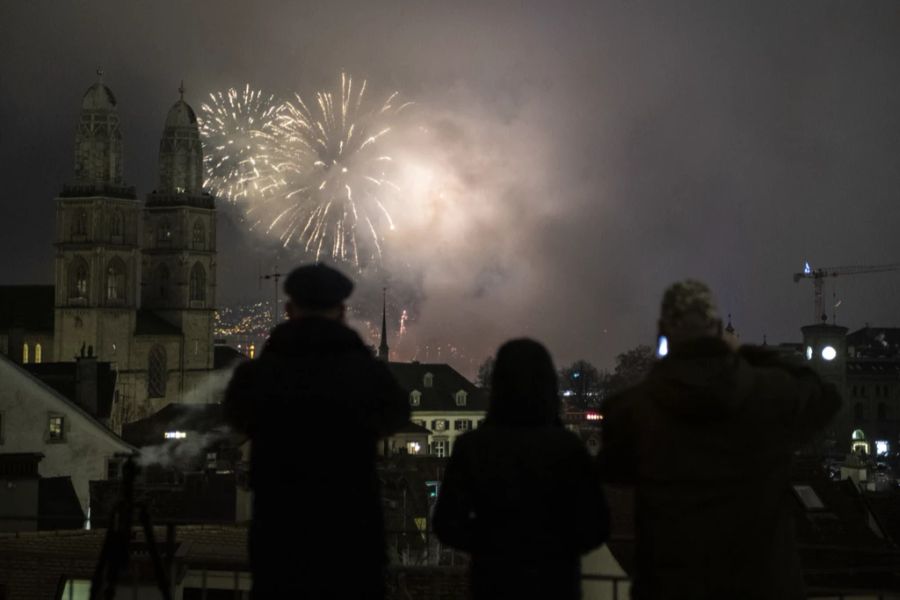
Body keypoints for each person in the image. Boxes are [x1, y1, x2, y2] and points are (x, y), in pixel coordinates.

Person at [600, 280, 842, 600]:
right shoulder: (770, 395)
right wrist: (751, 355)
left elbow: (613, 468)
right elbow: (825, 396)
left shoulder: (631, 411)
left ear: (663, 332)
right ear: (717, 329)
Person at [223, 263, 410, 599]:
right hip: (352, 535)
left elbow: (236, 418)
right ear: (341, 312)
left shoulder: (258, 376)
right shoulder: (367, 376)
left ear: (289, 310)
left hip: (281, 535)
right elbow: (397, 415)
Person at [433, 339, 609, 600]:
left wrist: (490, 544)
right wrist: (557, 546)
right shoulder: (569, 448)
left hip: (494, 581)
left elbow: (446, 524)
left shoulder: (472, 447)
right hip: (556, 582)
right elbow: (597, 525)